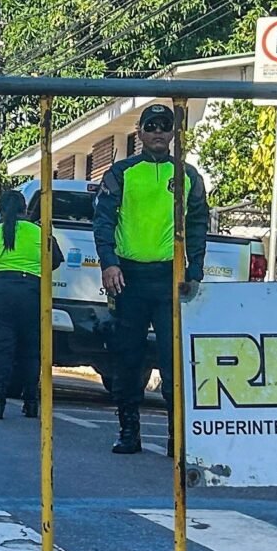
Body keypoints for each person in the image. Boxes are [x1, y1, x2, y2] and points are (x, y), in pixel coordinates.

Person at [91, 103, 209, 454]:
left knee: (175, 361)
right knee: (128, 358)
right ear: (140, 132)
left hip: (171, 279)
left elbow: (198, 225)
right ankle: (128, 431)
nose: (158, 132)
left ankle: (177, 437)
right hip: (128, 279)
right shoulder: (121, 172)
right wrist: (109, 263)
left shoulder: (188, 175)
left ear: (173, 133)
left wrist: (195, 271)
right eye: (151, 126)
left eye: (165, 126)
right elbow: (104, 221)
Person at [0, 186, 61, 420]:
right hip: (31, 294)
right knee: (31, 349)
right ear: (25, 210)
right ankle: (31, 403)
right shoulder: (39, 231)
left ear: (1, 211)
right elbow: (55, 260)